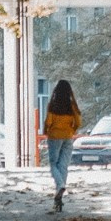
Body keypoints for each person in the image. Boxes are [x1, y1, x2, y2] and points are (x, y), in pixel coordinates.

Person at [43, 76, 82, 209]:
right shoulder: (71, 106)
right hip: (68, 137)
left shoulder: (53, 105)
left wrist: (46, 131)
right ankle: (59, 195)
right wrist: (72, 130)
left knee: (54, 164)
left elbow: (48, 122)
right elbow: (78, 122)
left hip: (54, 137)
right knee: (63, 165)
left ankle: (60, 186)